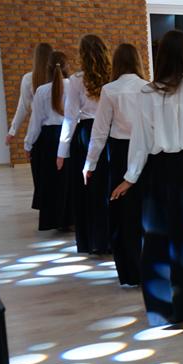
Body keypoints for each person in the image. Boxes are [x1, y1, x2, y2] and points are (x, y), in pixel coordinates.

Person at [110, 30, 183, 327]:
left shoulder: (148, 93)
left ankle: (164, 306)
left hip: (158, 172)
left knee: (158, 238)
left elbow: (140, 142)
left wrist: (130, 177)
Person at [84, 44, 148, 286]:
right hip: (146, 151)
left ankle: (131, 272)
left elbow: (99, 131)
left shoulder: (110, 90)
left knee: (123, 215)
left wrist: (90, 163)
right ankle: (149, 267)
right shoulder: (149, 88)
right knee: (145, 212)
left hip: (121, 154)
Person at [58, 34, 112, 255]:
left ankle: (93, 241)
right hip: (110, 133)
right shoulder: (113, 76)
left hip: (86, 134)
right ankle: (110, 238)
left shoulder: (76, 80)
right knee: (107, 187)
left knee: (88, 190)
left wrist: (62, 151)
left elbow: (70, 116)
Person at [25, 51, 72, 232]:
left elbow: (36, 121)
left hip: (49, 139)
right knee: (70, 180)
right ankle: (73, 218)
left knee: (52, 181)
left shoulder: (42, 90)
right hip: (71, 135)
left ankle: (55, 220)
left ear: (48, 68)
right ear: (67, 66)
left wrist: (28, 144)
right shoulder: (75, 86)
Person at [6, 42, 53, 211]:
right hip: (60, 132)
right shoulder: (62, 79)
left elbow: (24, 107)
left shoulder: (29, 79)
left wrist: (13, 131)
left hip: (39, 133)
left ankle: (46, 206)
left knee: (41, 173)